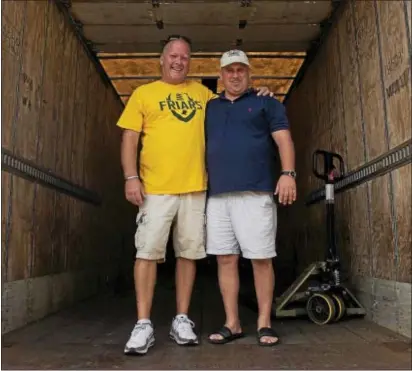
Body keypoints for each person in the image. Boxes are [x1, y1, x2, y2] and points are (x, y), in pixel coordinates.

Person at [116, 36, 273, 355]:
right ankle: (143, 324)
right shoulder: (143, 94)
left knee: (188, 253)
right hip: (155, 189)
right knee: (146, 253)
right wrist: (131, 177)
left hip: (196, 188)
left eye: (185, 57)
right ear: (161, 59)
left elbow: (235, 97)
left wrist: (262, 93)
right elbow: (130, 138)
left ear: (191, 62)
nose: (178, 61)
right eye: (173, 56)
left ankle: (182, 318)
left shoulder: (204, 95)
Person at [205, 50, 297, 347]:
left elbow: (283, 139)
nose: (235, 75)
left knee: (260, 258)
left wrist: (288, 174)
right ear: (221, 76)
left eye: (240, 70)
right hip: (218, 195)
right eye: (229, 70)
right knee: (225, 258)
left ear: (249, 74)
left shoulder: (266, 102)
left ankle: (264, 323)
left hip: (256, 193)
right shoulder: (209, 107)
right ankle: (232, 324)